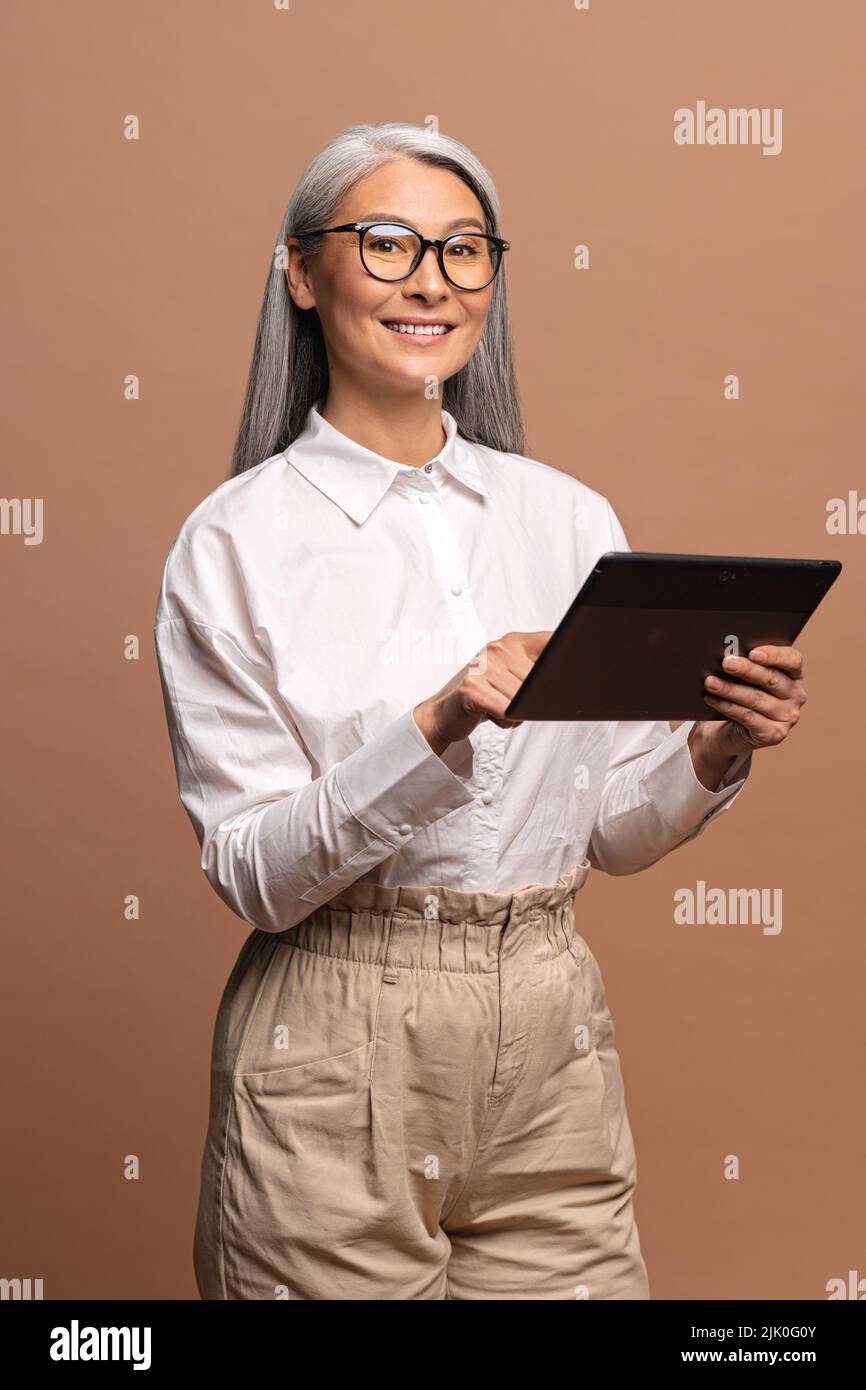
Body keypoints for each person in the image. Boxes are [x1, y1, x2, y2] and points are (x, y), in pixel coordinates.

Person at [153, 122, 807, 1301]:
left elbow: (608, 827)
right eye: (388, 242)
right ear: (302, 272)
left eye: (464, 251)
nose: (431, 281)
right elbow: (254, 873)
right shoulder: (232, 543)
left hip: (549, 1023)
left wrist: (706, 752)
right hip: (336, 1039)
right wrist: (438, 722)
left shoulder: (566, 518)